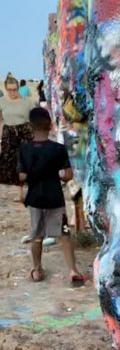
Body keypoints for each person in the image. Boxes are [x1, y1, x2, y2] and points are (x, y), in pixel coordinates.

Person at [17, 107, 86, 285]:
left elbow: (22, 177)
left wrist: (31, 175)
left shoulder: (24, 149)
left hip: (35, 198)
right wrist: (59, 175)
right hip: (54, 196)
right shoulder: (58, 149)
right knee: (63, 234)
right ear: (50, 126)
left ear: (30, 126)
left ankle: (37, 269)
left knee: (37, 235)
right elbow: (68, 175)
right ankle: (72, 270)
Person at [0, 75, 33, 185]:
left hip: (24, 133)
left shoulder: (27, 102)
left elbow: (34, 118)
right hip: (8, 134)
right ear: (6, 89)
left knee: (24, 161)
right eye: (9, 90)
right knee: (9, 162)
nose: (12, 92)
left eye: (14, 89)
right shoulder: (1, 101)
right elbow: (0, 121)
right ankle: (15, 186)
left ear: (18, 88)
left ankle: (22, 190)